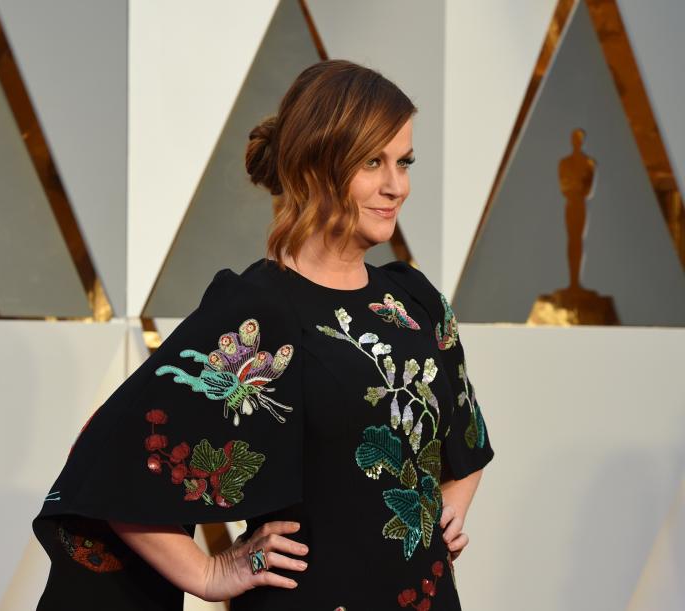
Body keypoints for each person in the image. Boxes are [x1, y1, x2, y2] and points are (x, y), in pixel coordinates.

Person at [32, 59, 494, 610]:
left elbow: (466, 443)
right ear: (315, 165)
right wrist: (207, 572)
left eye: (404, 162)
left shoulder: (415, 302)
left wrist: (449, 508)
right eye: (373, 162)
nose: (397, 186)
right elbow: (116, 465)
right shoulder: (260, 312)